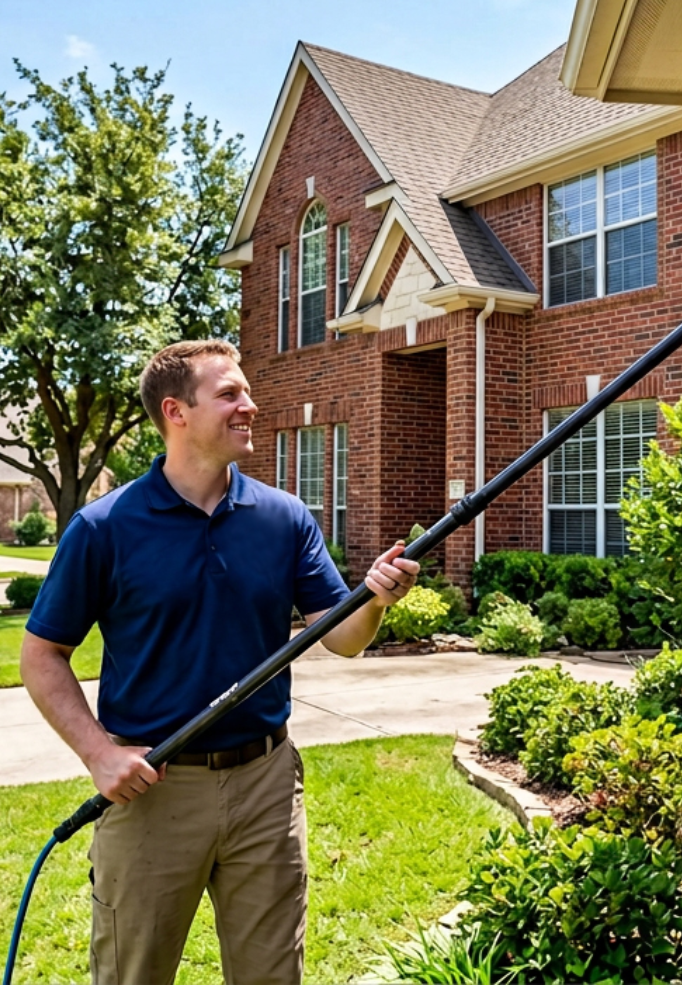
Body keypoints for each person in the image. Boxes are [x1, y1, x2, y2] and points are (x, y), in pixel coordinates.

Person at [20, 339, 419, 985]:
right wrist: (98, 755)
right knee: (132, 972)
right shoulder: (104, 527)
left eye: (247, 392)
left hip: (265, 782)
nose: (250, 406)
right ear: (175, 411)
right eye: (230, 393)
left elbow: (341, 639)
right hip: (155, 787)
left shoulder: (283, 517)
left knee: (272, 974)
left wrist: (374, 598)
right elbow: (42, 653)